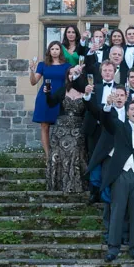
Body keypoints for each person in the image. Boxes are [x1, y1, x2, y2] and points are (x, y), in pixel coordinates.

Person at [100, 97, 134, 262]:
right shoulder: (120, 126)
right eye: (132, 109)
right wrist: (108, 105)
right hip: (121, 174)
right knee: (117, 212)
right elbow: (106, 121)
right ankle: (113, 248)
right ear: (127, 112)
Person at [44, 65, 90, 193]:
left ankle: (74, 185)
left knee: (75, 151)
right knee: (57, 154)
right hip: (61, 130)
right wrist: (47, 93)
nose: (72, 76)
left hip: (77, 129)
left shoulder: (86, 92)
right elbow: (51, 103)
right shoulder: (63, 90)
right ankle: (57, 186)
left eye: (75, 73)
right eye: (70, 73)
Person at [30, 41, 72, 159]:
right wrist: (32, 71)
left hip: (61, 98)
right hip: (44, 97)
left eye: (57, 49)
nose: (54, 51)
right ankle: (48, 157)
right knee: (45, 126)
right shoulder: (43, 65)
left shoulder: (67, 66)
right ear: (49, 51)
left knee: (62, 126)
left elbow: (71, 82)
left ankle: (61, 155)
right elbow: (33, 82)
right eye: (52, 49)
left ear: (60, 51)